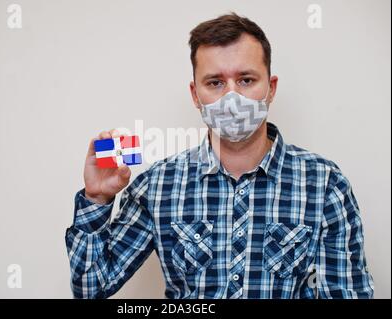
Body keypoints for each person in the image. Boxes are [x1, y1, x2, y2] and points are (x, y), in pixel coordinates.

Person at [65, 12, 374, 299]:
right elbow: (91, 287)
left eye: (246, 80)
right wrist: (97, 199)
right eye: (215, 83)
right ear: (195, 94)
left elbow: (347, 292)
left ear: (271, 88)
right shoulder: (158, 185)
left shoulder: (324, 183)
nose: (231, 98)